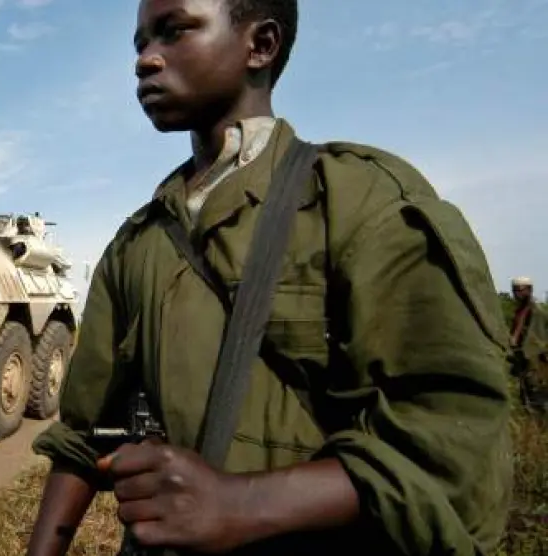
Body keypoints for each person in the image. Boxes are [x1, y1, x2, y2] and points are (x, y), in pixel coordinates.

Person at [26, 1, 513, 555]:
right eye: (140, 44)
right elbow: (83, 437)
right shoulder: (138, 241)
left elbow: (454, 449)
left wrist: (241, 504)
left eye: (173, 31)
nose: (145, 60)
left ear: (260, 45)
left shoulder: (357, 202)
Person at [508, 276, 548, 413]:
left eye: (520, 290)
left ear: (529, 290)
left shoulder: (536, 311)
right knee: (525, 394)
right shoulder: (520, 310)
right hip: (524, 357)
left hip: (533, 359)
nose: (516, 293)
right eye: (514, 290)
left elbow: (537, 339)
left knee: (536, 393)